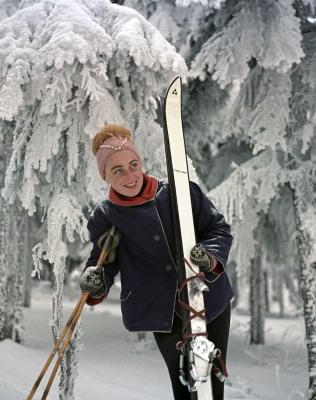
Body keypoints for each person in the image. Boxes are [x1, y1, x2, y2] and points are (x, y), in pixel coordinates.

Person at [80, 124, 233, 400]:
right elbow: (103, 262)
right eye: (118, 170)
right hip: (160, 310)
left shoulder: (180, 193)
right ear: (105, 176)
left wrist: (209, 258)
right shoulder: (108, 216)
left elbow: (218, 229)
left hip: (208, 299)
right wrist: (96, 281)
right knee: (185, 386)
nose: (130, 175)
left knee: (210, 382)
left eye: (133, 164)